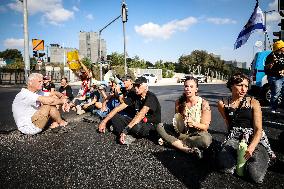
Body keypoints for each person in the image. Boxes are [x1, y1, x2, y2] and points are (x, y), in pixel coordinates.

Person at [217, 73, 276, 184]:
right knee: (225, 167)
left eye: (246, 85)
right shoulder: (222, 103)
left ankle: (264, 156)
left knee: (255, 176)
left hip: (254, 137)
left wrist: (252, 146)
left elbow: (258, 129)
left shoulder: (253, 102)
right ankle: (237, 157)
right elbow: (228, 124)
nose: (244, 89)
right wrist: (228, 143)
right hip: (235, 136)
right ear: (231, 85)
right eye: (240, 85)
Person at [156, 76, 212, 159]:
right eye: (186, 86)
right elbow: (177, 122)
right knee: (160, 126)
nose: (188, 89)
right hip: (182, 133)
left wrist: (193, 123)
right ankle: (184, 148)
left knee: (206, 140)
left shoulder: (204, 104)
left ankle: (171, 142)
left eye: (191, 86)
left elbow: (205, 127)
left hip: (196, 134)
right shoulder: (179, 102)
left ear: (196, 89)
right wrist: (179, 123)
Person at [99, 77, 161, 145]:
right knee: (115, 116)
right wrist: (104, 121)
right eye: (135, 86)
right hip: (138, 121)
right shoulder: (135, 96)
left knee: (137, 126)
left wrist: (126, 130)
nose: (136, 88)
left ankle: (127, 133)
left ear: (145, 86)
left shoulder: (151, 97)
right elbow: (117, 108)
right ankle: (124, 135)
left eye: (138, 86)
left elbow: (141, 114)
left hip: (150, 125)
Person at [264, 40, 284, 113]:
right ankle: (273, 109)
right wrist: (272, 62)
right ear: (279, 48)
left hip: (282, 76)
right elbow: (266, 68)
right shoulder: (270, 56)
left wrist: (283, 71)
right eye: (283, 47)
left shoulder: (283, 54)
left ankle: (280, 108)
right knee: (275, 93)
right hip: (274, 77)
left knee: (282, 93)